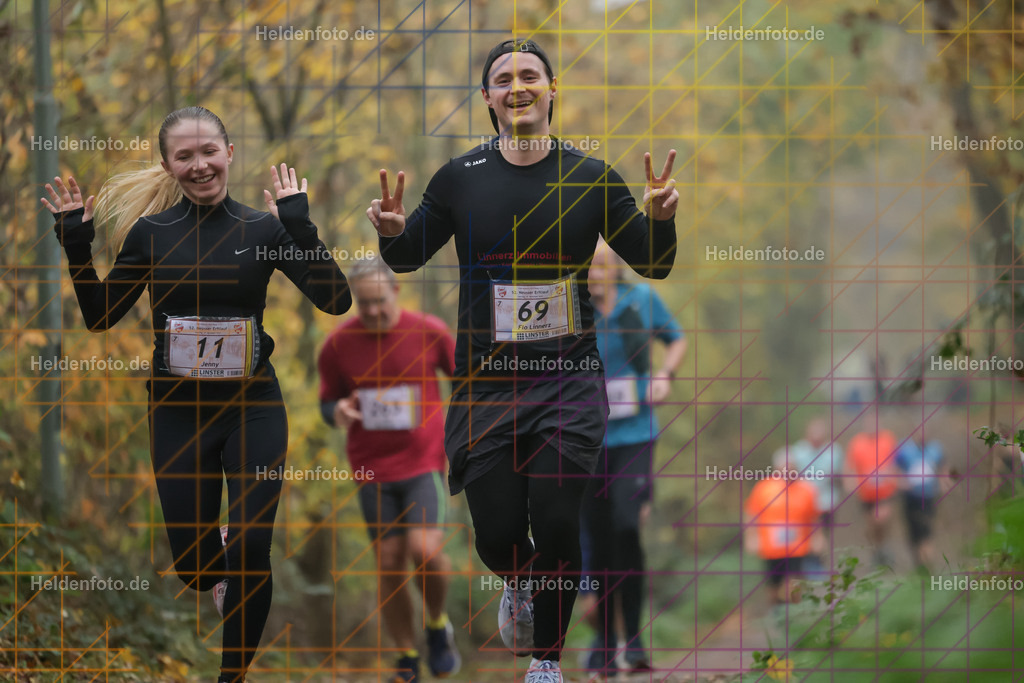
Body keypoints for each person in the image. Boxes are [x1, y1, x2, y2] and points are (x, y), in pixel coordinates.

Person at [365, 38, 678, 683]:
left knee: (560, 521)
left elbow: (654, 261)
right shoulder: (460, 177)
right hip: (486, 386)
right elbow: (405, 258)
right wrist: (392, 232)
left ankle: (546, 661)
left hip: (569, 381)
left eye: (530, 75)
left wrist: (660, 217)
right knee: (497, 534)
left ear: (553, 89)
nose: (518, 86)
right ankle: (519, 581)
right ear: (488, 98)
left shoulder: (592, 177)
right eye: (503, 79)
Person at [43, 106, 351, 683]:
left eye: (209, 150)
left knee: (252, 547)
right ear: (168, 164)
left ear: (229, 152)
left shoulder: (264, 229)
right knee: (194, 567)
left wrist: (302, 227)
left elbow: (336, 301)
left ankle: (230, 675)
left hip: (252, 407)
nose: (200, 164)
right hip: (177, 413)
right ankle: (219, 559)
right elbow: (100, 316)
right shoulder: (151, 234)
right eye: (184, 155)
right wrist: (76, 249)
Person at [317, 256, 460, 682]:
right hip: (370, 469)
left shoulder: (429, 330)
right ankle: (406, 656)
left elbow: (467, 380)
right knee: (389, 563)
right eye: (364, 305)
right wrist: (337, 410)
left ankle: (436, 626)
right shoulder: (337, 345)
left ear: (395, 292)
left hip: (423, 462)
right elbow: (327, 402)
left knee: (425, 551)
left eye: (379, 301)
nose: (374, 311)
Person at [581, 240, 686, 675]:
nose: (599, 270)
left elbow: (675, 339)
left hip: (636, 433)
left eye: (606, 262)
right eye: (591, 265)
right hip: (585, 438)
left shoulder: (641, 299)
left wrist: (664, 373)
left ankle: (636, 638)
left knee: (627, 525)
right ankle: (606, 640)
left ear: (617, 266)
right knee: (599, 536)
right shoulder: (573, 309)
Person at [744, 455, 822, 606]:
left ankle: (794, 612)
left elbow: (814, 517)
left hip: (797, 547)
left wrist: (817, 538)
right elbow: (751, 514)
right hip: (771, 548)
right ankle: (776, 611)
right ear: (777, 469)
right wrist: (751, 538)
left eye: (791, 467)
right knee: (774, 584)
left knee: (794, 582)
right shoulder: (764, 488)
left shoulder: (807, 489)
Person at [786, 418, 845, 576]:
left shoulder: (834, 451)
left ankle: (817, 563)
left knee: (822, 533)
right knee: (806, 532)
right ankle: (807, 563)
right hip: (802, 501)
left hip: (826, 500)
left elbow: (840, 475)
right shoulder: (797, 450)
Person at [844, 425, 900, 567]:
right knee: (872, 525)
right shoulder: (857, 442)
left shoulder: (888, 439)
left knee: (881, 518)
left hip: (885, 491)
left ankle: (884, 547)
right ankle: (877, 550)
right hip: (866, 494)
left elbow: (896, 462)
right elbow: (850, 465)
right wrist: (849, 483)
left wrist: (892, 474)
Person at [894, 432, 946, 572]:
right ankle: (919, 566)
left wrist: (942, 484)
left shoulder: (935, 449)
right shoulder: (905, 449)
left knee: (926, 534)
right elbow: (895, 470)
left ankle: (927, 568)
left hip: (928, 498)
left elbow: (942, 470)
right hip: (910, 498)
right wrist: (901, 482)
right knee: (913, 536)